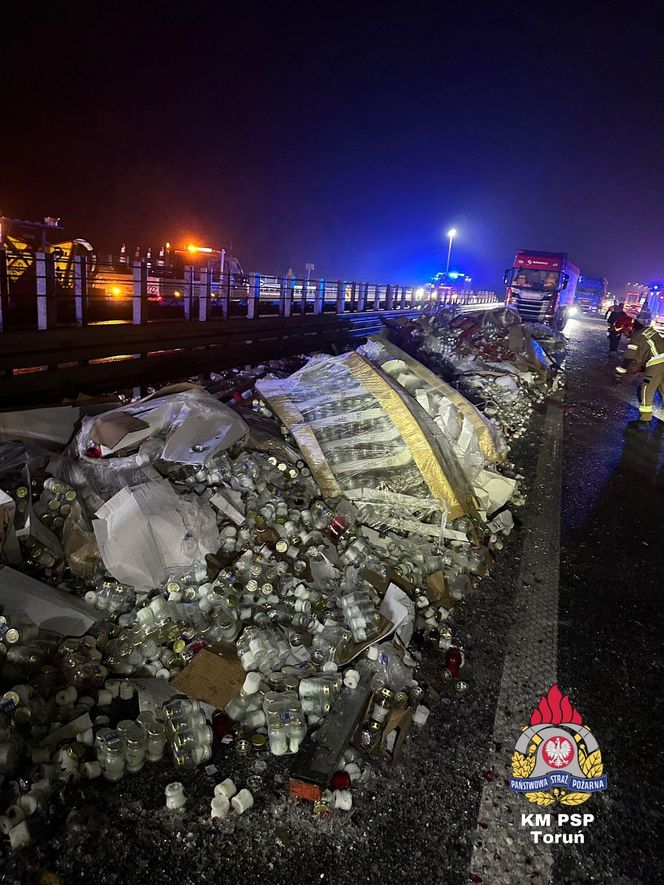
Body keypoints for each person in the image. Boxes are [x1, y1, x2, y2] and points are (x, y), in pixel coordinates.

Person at [614, 315, 664, 423]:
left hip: (657, 362)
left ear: (629, 328)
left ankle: (644, 420)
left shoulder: (636, 336)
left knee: (646, 389)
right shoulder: (647, 330)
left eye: (624, 331)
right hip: (661, 360)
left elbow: (628, 358)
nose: (624, 335)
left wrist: (619, 375)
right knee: (662, 388)